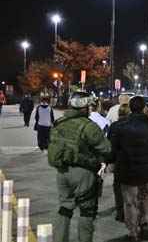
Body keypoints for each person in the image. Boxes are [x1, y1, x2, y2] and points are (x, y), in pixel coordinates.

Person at [49, 92, 111, 242]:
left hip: (62, 172)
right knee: (87, 211)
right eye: (89, 106)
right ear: (84, 107)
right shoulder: (89, 126)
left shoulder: (59, 123)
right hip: (84, 173)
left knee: (64, 208)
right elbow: (106, 149)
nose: (90, 109)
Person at [110, 96, 148, 241]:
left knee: (130, 202)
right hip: (147, 171)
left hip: (127, 170)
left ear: (130, 108)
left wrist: (112, 162)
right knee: (145, 198)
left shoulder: (119, 126)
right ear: (144, 108)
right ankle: (144, 224)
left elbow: (113, 149)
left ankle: (133, 231)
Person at [107, 104, 130, 223]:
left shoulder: (114, 126)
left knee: (118, 188)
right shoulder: (132, 126)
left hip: (118, 161)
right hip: (131, 161)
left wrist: (109, 160)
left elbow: (110, 144)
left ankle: (120, 212)